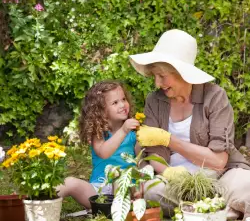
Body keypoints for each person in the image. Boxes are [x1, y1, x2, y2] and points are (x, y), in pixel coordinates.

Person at [129, 29, 250, 220]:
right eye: (154, 76)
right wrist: (169, 173)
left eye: (162, 75)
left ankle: (204, 208)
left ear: (182, 72)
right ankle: (220, 210)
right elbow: (153, 153)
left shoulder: (215, 97)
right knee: (152, 191)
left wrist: (170, 140)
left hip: (220, 175)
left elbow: (219, 161)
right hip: (176, 183)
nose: (157, 83)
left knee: (246, 184)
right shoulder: (154, 101)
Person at [57, 80, 140, 209]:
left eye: (124, 99)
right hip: (98, 192)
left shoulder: (134, 132)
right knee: (69, 182)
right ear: (101, 110)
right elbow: (103, 152)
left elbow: (141, 158)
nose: (123, 104)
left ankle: (118, 212)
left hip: (126, 188)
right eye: (115, 102)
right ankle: (41, 202)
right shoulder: (99, 132)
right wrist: (124, 130)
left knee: (119, 181)